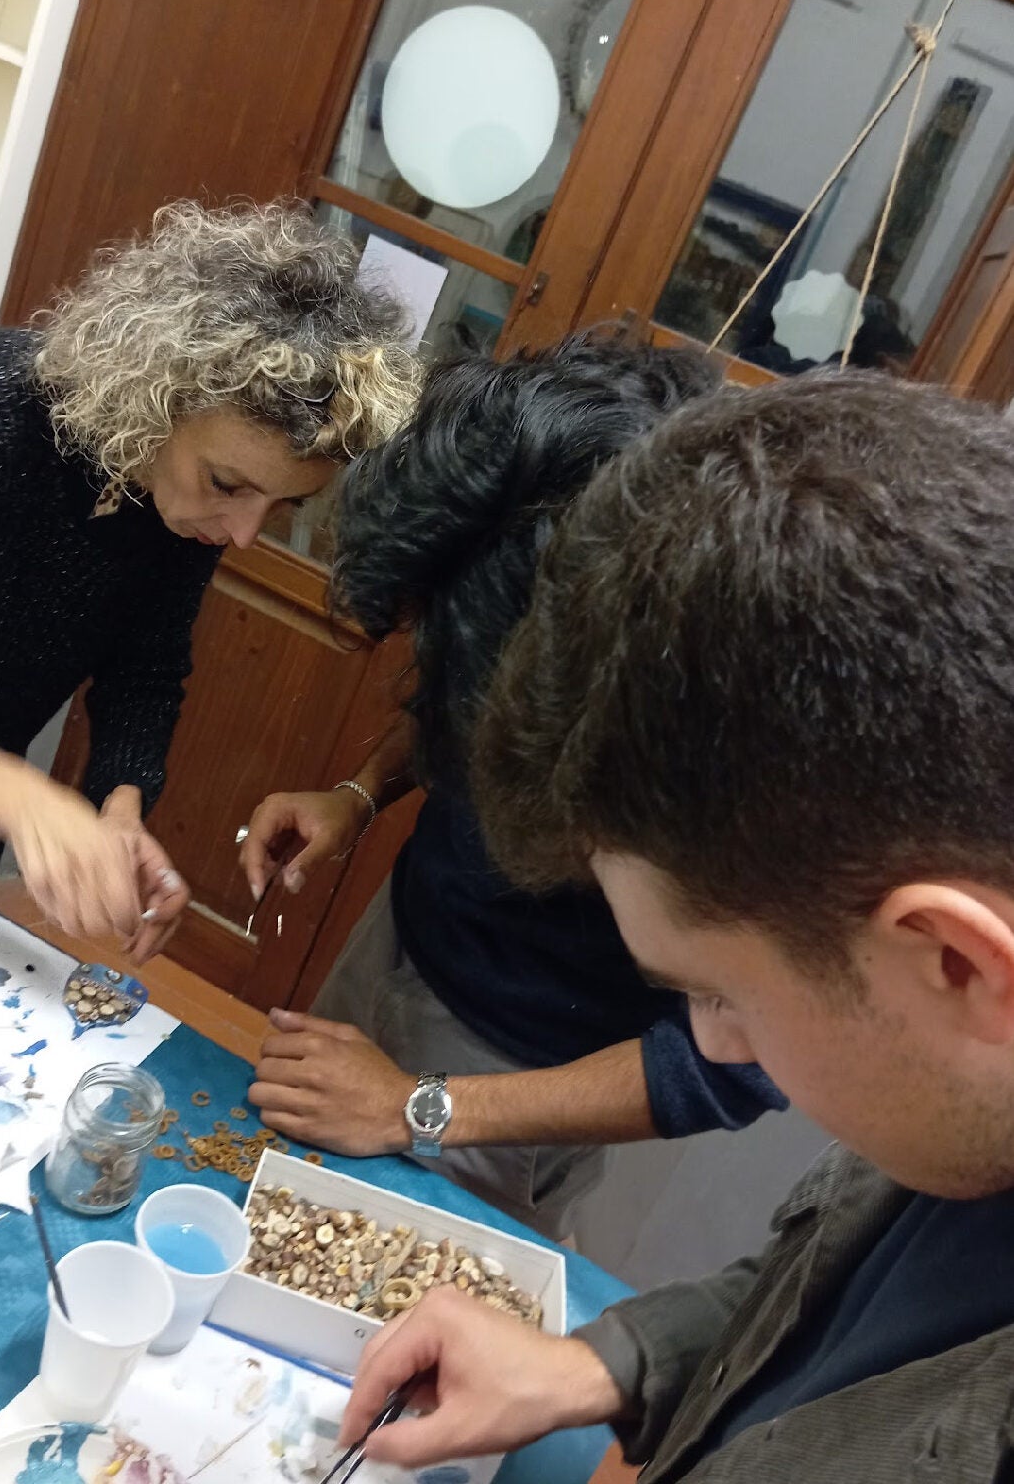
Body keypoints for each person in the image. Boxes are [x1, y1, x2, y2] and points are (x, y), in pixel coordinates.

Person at [337, 372, 1014, 1482]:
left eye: (720, 994)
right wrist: (602, 1366)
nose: (719, 1045)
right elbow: (821, 1297)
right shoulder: (956, 1112)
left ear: (955, 961)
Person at [241, 336, 784, 1238]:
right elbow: (459, 690)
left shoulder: (761, 759)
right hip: (410, 944)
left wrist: (419, 1107)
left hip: (518, 1078)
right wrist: (363, 790)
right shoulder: (528, 553)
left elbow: (728, 1064)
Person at [0, 200, 416, 960]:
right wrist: (18, 797)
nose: (245, 533)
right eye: (228, 482)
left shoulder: (180, 506)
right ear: (156, 395)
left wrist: (118, 806)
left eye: (283, 505)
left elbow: (145, 673)